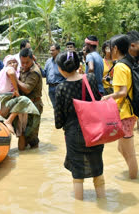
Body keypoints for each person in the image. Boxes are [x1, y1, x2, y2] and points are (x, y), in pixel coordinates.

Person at [54, 51, 105, 200]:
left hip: (74, 134)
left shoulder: (61, 88)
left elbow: (58, 122)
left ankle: (79, 207)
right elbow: (96, 100)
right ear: (78, 65)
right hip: (95, 132)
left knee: (77, 173)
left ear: (61, 69)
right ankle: (102, 201)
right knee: (98, 169)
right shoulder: (90, 78)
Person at [102, 34, 138, 179]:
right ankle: (132, 176)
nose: (109, 51)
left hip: (125, 113)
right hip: (127, 112)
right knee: (121, 148)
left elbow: (122, 92)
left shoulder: (120, 66)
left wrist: (106, 97)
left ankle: (134, 178)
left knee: (129, 152)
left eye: (110, 48)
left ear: (115, 48)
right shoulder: (127, 63)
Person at [0, 55, 40, 138]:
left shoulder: (2, 71)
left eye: (14, 62)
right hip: (7, 98)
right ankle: (8, 121)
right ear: (6, 64)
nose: (12, 64)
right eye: (10, 63)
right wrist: (16, 89)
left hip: (2, 99)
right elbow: (11, 73)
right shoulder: (9, 69)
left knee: (20, 130)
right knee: (25, 100)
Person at [16, 48, 43, 150]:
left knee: (32, 136)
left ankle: (34, 156)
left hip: (34, 106)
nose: (24, 65)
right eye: (22, 62)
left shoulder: (34, 71)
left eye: (27, 62)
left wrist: (14, 78)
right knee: (22, 133)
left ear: (32, 59)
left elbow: (27, 89)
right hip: (24, 105)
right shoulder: (22, 68)